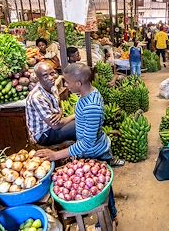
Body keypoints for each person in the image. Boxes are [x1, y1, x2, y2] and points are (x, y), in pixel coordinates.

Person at [35, 63, 118, 224]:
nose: (65, 85)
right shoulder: (89, 94)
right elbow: (83, 112)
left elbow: (87, 143)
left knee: (103, 191)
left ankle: (109, 217)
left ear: (79, 84)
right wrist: (69, 118)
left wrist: (56, 155)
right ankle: (110, 214)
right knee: (101, 189)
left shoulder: (92, 107)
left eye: (67, 82)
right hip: (92, 150)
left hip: (96, 153)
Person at [26, 62, 75, 146]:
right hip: (43, 134)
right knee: (78, 126)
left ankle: (81, 154)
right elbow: (55, 126)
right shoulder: (37, 97)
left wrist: (60, 113)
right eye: (45, 76)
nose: (51, 78)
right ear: (38, 78)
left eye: (52, 73)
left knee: (82, 123)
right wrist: (75, 115)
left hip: (53, 127)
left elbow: (59, 106)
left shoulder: (52, 87)